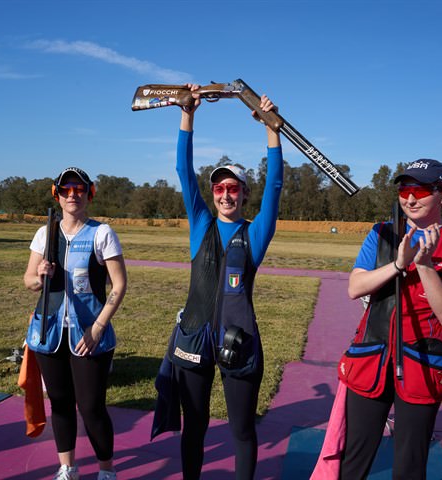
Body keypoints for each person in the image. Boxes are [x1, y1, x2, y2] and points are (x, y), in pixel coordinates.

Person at [335, 159, 442, 479]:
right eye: (404, 190)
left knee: (409, 463)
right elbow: (355, 288)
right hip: (370, 358)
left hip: (423, 366)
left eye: (420, 190)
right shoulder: (381, 234)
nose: (410, 199)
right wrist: (398, 264)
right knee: (354, 458)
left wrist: (425, 265)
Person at [169, 84, 283, 480]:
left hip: (238, 340)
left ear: (244, 194)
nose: (225, 195)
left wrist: (271, 129)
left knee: (242, 431)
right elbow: (184, 172)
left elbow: (275, 188)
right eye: (219, 188)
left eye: (233, 188)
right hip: (194, 337)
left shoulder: (255, 234)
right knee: (194, 428)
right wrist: (187, 114)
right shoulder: (201, 224)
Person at [24, 167, 127, 480]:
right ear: (57, 194)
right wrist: (39, 276)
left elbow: (119, 285)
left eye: (79, 189)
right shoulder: (45, 233)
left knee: (92, 407)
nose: (73, 195)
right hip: (49, 332)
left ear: (89, 194)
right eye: (66, 190)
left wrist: (98, 327)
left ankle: (107, 471)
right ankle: (67, 467)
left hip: (89, 334)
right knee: (60, 403)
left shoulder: (102, 233)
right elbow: (28, 281)